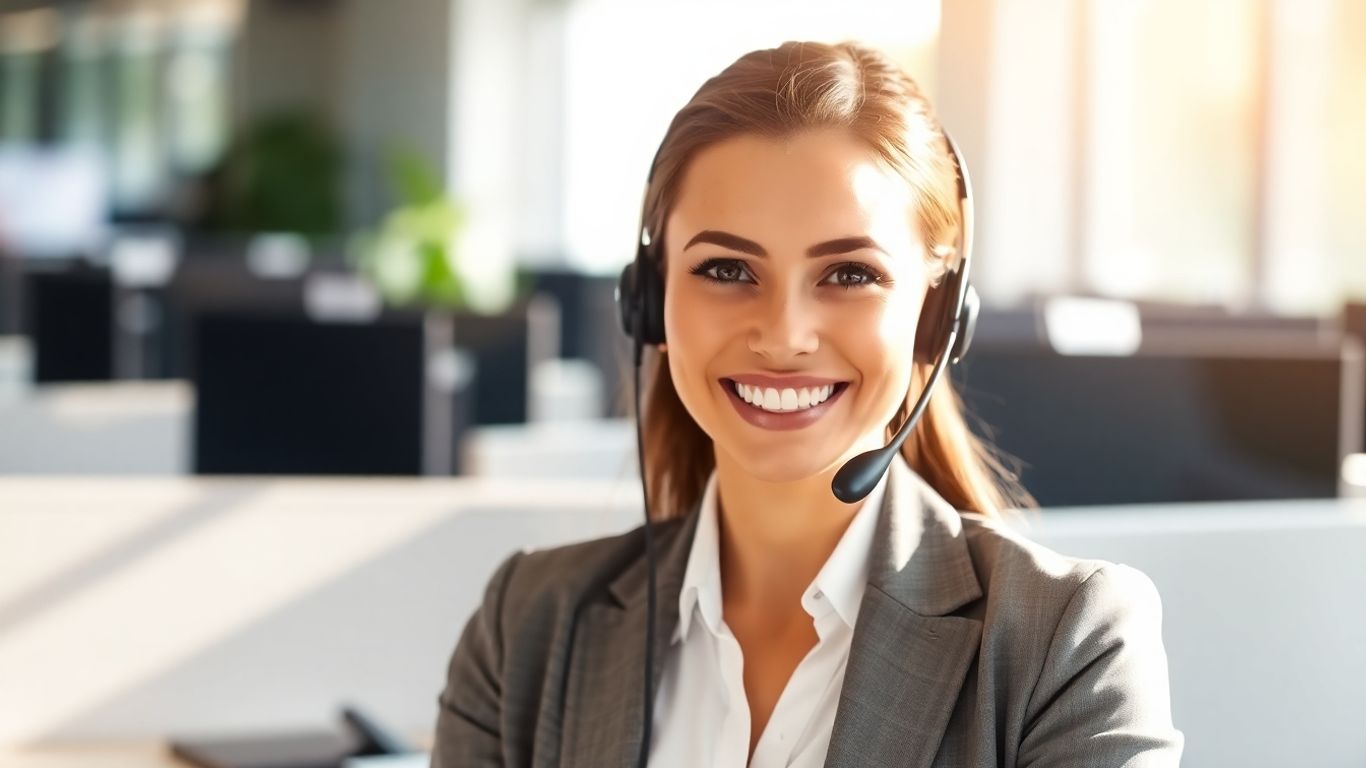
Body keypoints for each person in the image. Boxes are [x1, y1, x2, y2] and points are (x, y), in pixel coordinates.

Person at [432, 40, 1184, 767]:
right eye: (727, 268)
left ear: (938, 314)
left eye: (849, 274)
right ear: (650, 299)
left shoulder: (1065, 644)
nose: (783, 336)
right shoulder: (530, 629)